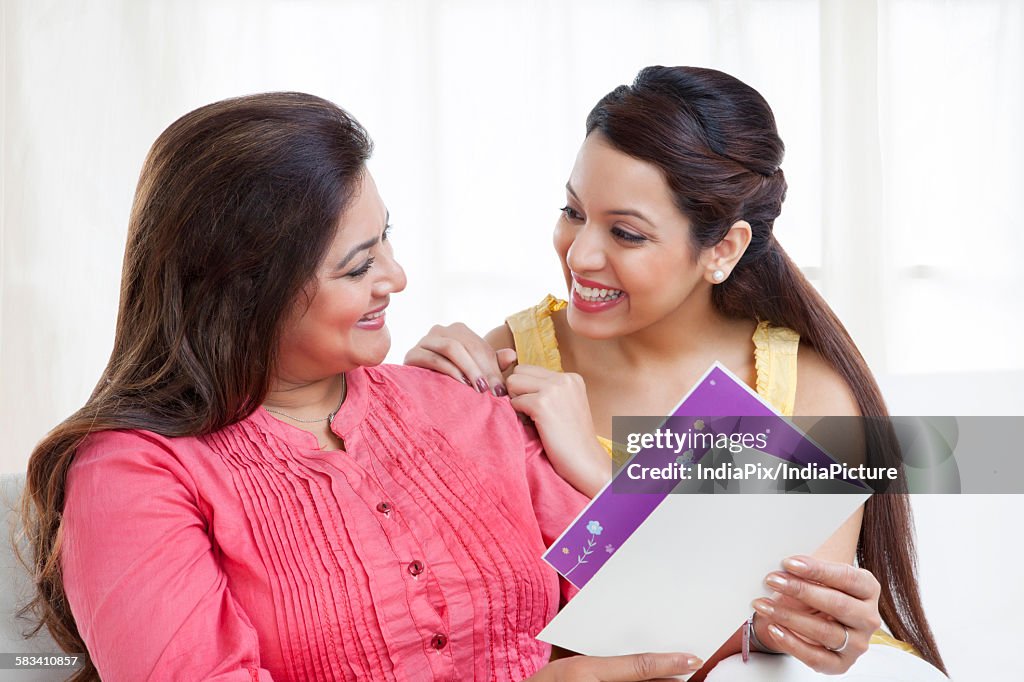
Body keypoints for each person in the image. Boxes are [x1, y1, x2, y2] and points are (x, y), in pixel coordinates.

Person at [18, 92, 702, 681]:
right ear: (243, 290)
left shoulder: (461, 399)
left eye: (387, 240)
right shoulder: (134, 472)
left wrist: (597, 470)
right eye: (356, 267)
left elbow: (661, 603)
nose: (396, 277)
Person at [405, 66, 947, 677]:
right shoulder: (510, 363)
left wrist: (596, 470)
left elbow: (763, 644)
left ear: (723, 249)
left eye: (627, 234)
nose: (580, 254)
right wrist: (403, 410)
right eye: (572, 211)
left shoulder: (803, 392)